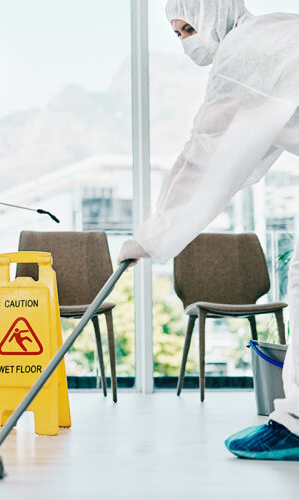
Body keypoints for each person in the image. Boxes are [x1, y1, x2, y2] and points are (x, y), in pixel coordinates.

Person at [118, 0, 299, 460]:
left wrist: (155, 236)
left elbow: (209, 154)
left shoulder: (246, 54)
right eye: (178, 34)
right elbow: (248, 161)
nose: (187, 43)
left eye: (188, 27)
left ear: (214, 11)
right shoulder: (275, 34)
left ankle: (296, 425)